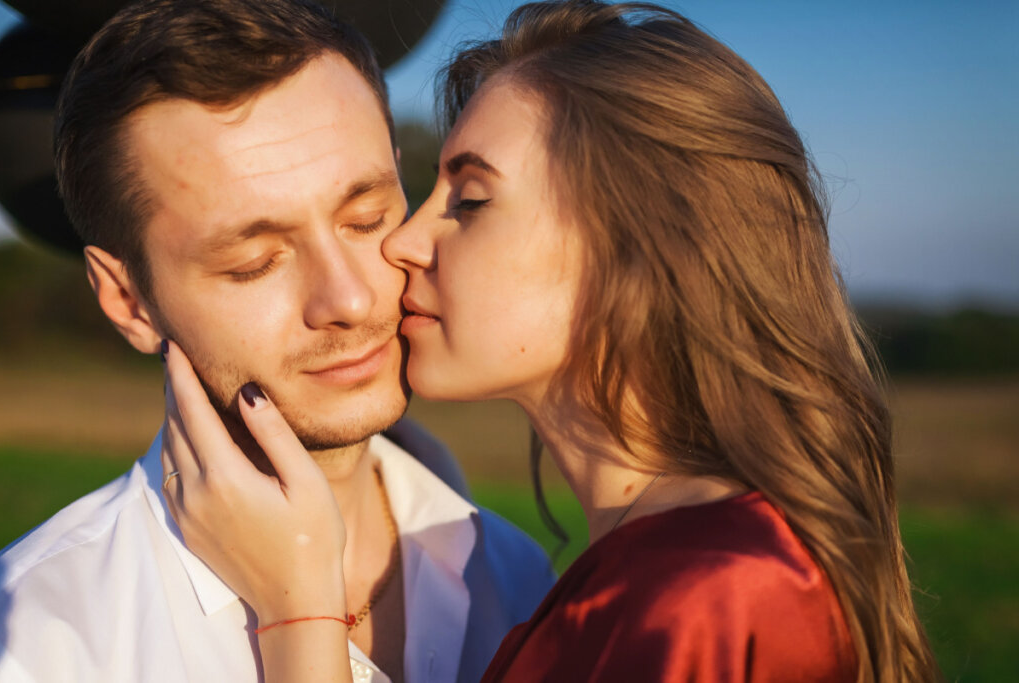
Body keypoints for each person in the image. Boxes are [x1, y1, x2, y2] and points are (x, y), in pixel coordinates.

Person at [159, 1, 947, 681]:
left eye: (468, 200)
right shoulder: (640, 569)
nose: (402, 243)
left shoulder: (714, 595)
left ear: (633, 246)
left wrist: (301, 615)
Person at [0, 1, 556, 682]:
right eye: (253, 262)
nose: (348, 298)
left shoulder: (520, 578)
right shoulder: (41, 639)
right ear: (128, 300)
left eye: (367, 217)